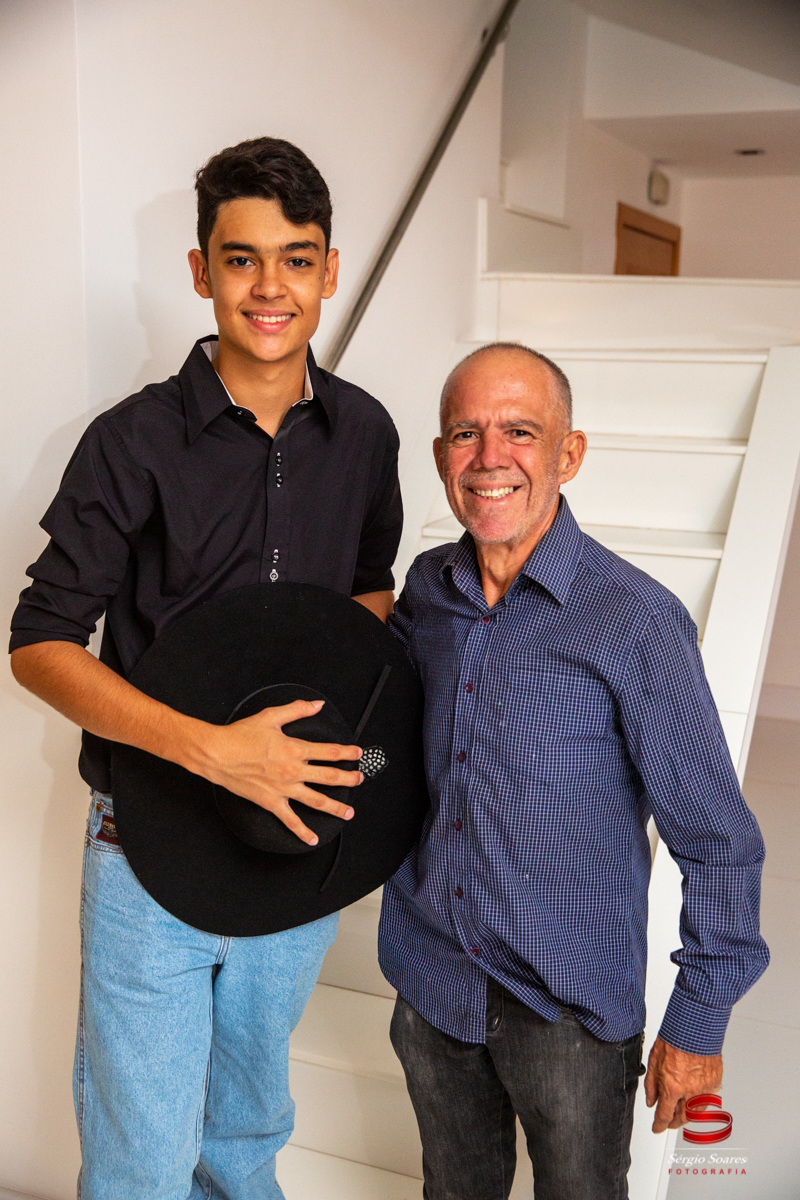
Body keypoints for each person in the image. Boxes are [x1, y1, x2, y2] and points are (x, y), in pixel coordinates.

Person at [10, 136, 402, 1199]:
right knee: (141, 1166)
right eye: (241, 259)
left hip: (296, 847)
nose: (270, 287)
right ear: (201, 271)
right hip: (146, 850)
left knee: (244, 1141)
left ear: (329, 270)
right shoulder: (128, 441)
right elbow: (40, 644)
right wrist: (215, 751)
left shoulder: (365, 434)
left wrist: (315, 735)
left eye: (296, 258)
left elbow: (370, 594)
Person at [378, 342, 768, 1200]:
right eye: (466, 433)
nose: (490, 457)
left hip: (567, 1010)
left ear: (569, 454)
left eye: (520, 432)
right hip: (433, 983)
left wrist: (698, 1022)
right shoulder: (428, 592)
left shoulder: (635, 621)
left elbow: (719, 842)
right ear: (441, 455)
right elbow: (385, 746)